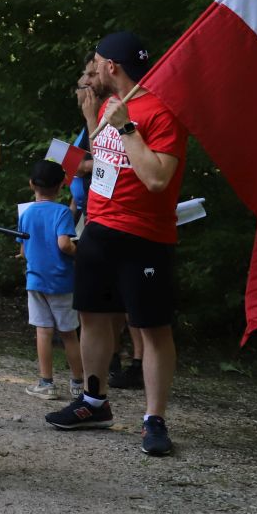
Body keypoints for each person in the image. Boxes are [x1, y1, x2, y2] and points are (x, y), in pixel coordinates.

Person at [46, 31, 187, 457]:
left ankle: (154, 419)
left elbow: (157, 178)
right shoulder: (108, 105)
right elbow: (104, 162)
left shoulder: (163, 112)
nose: (91, 69)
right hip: (99, 230)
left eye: (96, 61)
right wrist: (94, 121)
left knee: (151, 326)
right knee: (92, 316)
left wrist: (126, 125)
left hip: (143, 235)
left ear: (112, 67)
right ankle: (94, 401)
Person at [75, 52, 145, 390]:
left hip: (128, 222)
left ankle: (138, 363)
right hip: (94, 216)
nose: (87, 82)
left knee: (133, 306)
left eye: (91, 73)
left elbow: (105, 164)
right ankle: (103, 376)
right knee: (98, 307)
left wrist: (81, 165)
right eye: (83, 78)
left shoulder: (124, 111)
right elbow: (83, 159)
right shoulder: (99, 112)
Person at [18, 159, 82, 400]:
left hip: (35, 281)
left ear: (32, 184)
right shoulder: (63, 212)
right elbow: (64, 244)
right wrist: (80, 253)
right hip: (61, 281)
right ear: (61, 186)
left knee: (43, 332)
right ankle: (77, 383)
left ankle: (46, 383)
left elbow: (24, 251)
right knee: (69, 333)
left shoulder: (26, 213)